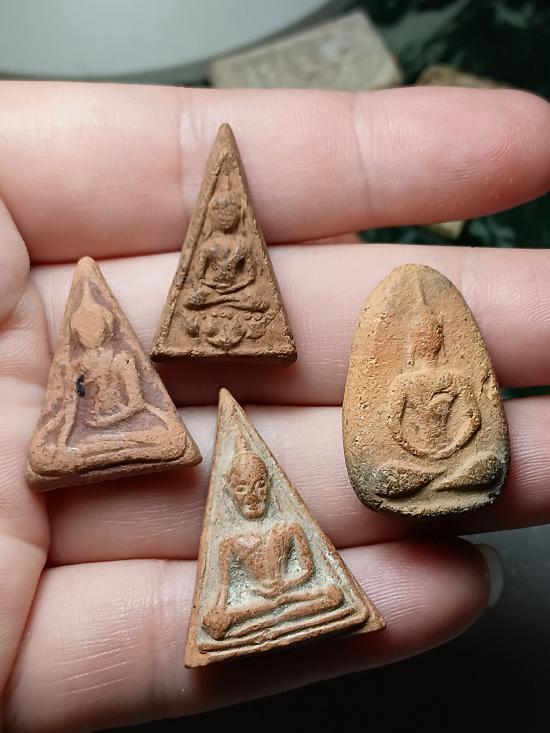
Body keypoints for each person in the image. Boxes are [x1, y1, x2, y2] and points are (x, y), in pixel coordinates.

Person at [0, 80, 548, 732]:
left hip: (438, 467)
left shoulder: (442, 382)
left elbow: (469, 423)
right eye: (246, 486)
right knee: (376, 481)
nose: (253, 494)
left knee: (472, 469)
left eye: (255, 485)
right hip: (161, 409)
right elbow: (77, 418)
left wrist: (447, 446)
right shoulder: (115, 366)